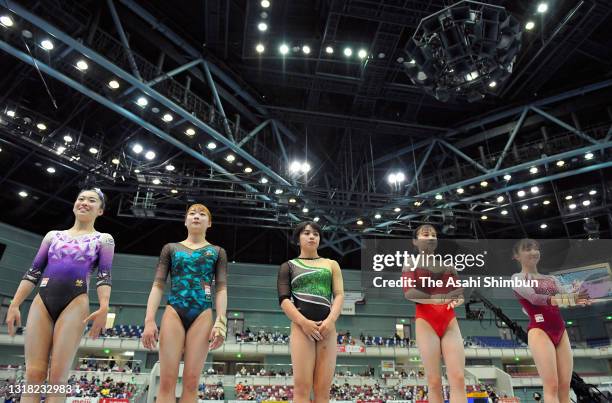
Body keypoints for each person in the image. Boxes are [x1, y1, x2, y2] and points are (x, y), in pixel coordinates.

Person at [5, 188, 114, 403]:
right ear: (74, 204)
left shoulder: (103, 239)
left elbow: (104, 275)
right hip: (42, 299)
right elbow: (34, 271)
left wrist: (104, 306)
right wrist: (14, 304)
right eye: (81, 198)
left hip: (75, 300)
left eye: (91, 200)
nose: (84, 202)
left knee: (57, 376)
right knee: (33, 374)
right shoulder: (53, 236)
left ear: (100, 211)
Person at [142, 203, 228, 403]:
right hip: (174, 310)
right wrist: (149, 320)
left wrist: (221, 320)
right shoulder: (171, 248)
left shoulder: (217, 252)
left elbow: (221, 288)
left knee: (191, 383)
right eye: (191, 213)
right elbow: (157, 285)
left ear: (210, 223)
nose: (196, 216)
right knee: (166, 382)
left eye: (202, 214)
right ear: (185, 220)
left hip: (203, 313)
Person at [512, 239, 590, 403]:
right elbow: (534, 298)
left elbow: (568, 299)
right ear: (516, 256)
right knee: (552, 386)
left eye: (536, 248)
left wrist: (578, 295)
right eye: (527, 249)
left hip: (561, 330)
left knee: (564, 386)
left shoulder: (553, 279)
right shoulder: (517, 277)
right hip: (540, 331)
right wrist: (567, 297)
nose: (533, 252)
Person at [277, 221, 345, 403]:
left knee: (323, 390)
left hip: (327, 328)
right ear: (298, 238)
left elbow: (339, 295)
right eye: (306, 233)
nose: (312, 236)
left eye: (316, 233)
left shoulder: (331, 264)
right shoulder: (288, 266)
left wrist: (330, 321)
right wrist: (303, 322)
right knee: (302, 388)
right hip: (301, 328)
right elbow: (284, 300)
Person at [402, 224, 466, 403]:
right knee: (434, 381)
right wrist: (438, 298)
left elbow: (459, 294)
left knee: (458, 378)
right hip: (426, 321)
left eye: (433, 234)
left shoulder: (448, 265)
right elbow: (410, 293)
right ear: (415, 241)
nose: (430, 237)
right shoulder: (410, 264)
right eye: (425, 234)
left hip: (449, 320)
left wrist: (456, 300)